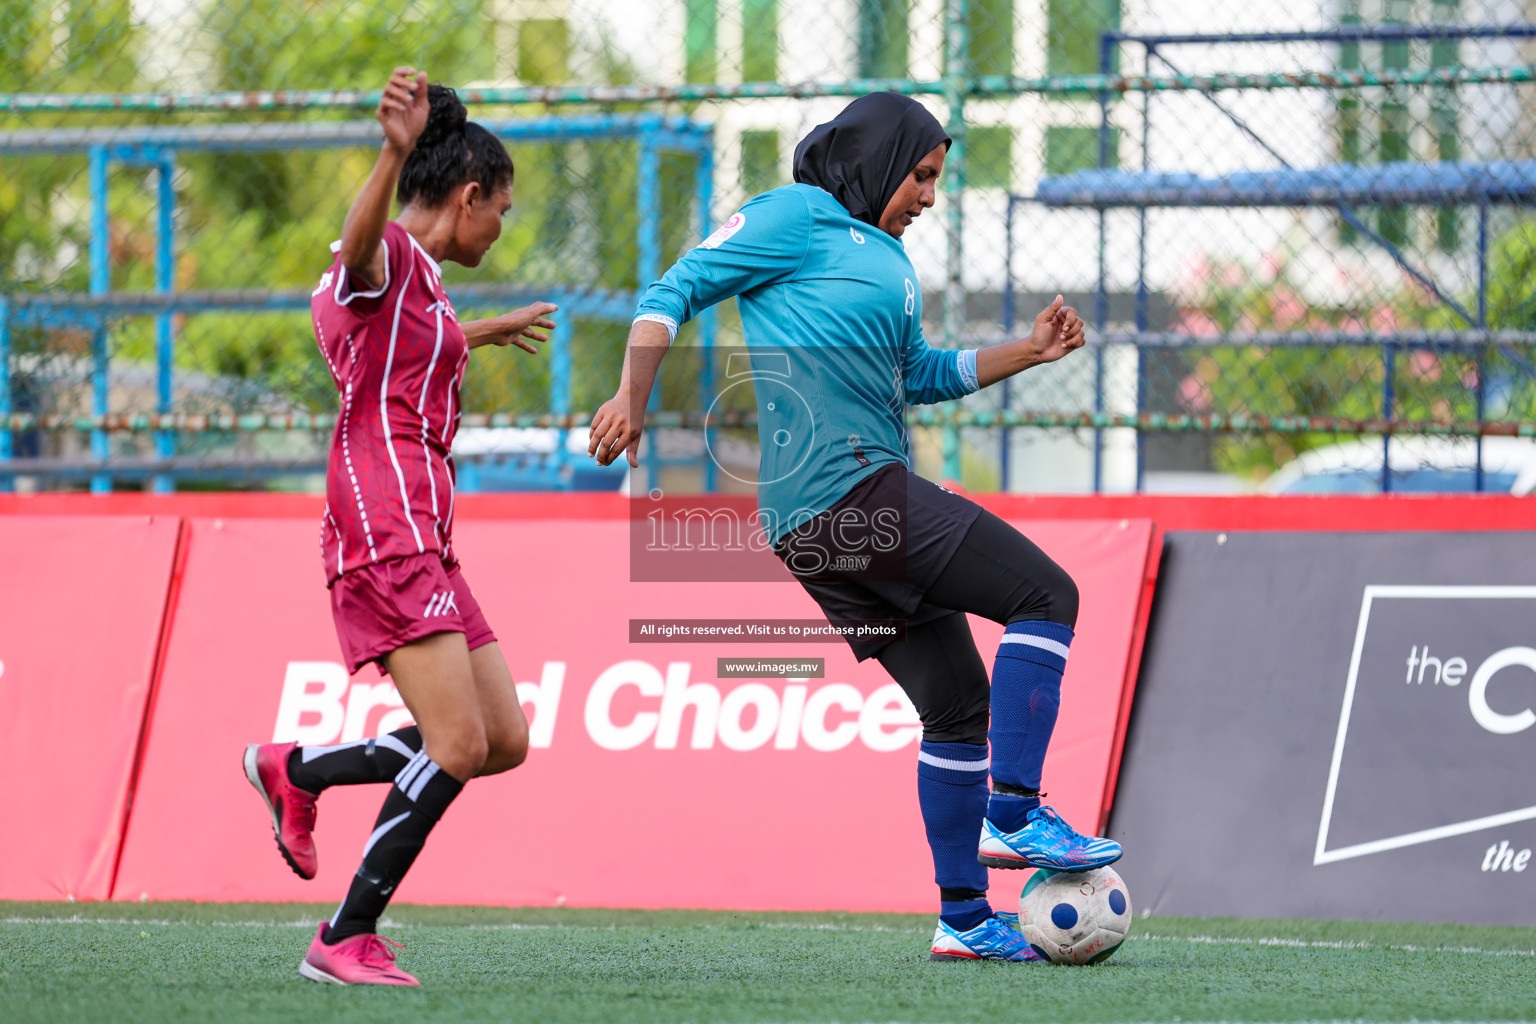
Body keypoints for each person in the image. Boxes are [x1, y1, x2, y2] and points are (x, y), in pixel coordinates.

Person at [587, 92, 1121, 964]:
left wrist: (1028, 352)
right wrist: (631, 397)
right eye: (921, 175)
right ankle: (1017, 810)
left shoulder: (891, 263)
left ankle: (964, 916)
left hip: (820, 525)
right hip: (848, 496)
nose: (928, 196)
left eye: (937, 181)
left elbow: (922, 374)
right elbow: (672, 290)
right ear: (876, 158)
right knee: (1046, 593)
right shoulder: (796, 216)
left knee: (956, 707)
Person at [242, 67, 558, 986]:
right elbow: (360, 251)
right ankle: (345, 934)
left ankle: (296, 769)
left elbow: (416, 335)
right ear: (466, 198)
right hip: (385, 526)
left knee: (499, 738)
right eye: (500, 207)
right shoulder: (384, 262)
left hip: (425, 529)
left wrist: (488, 330)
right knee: (454, 745)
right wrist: (389, 150)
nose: (502, 226)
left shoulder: (422, 284)